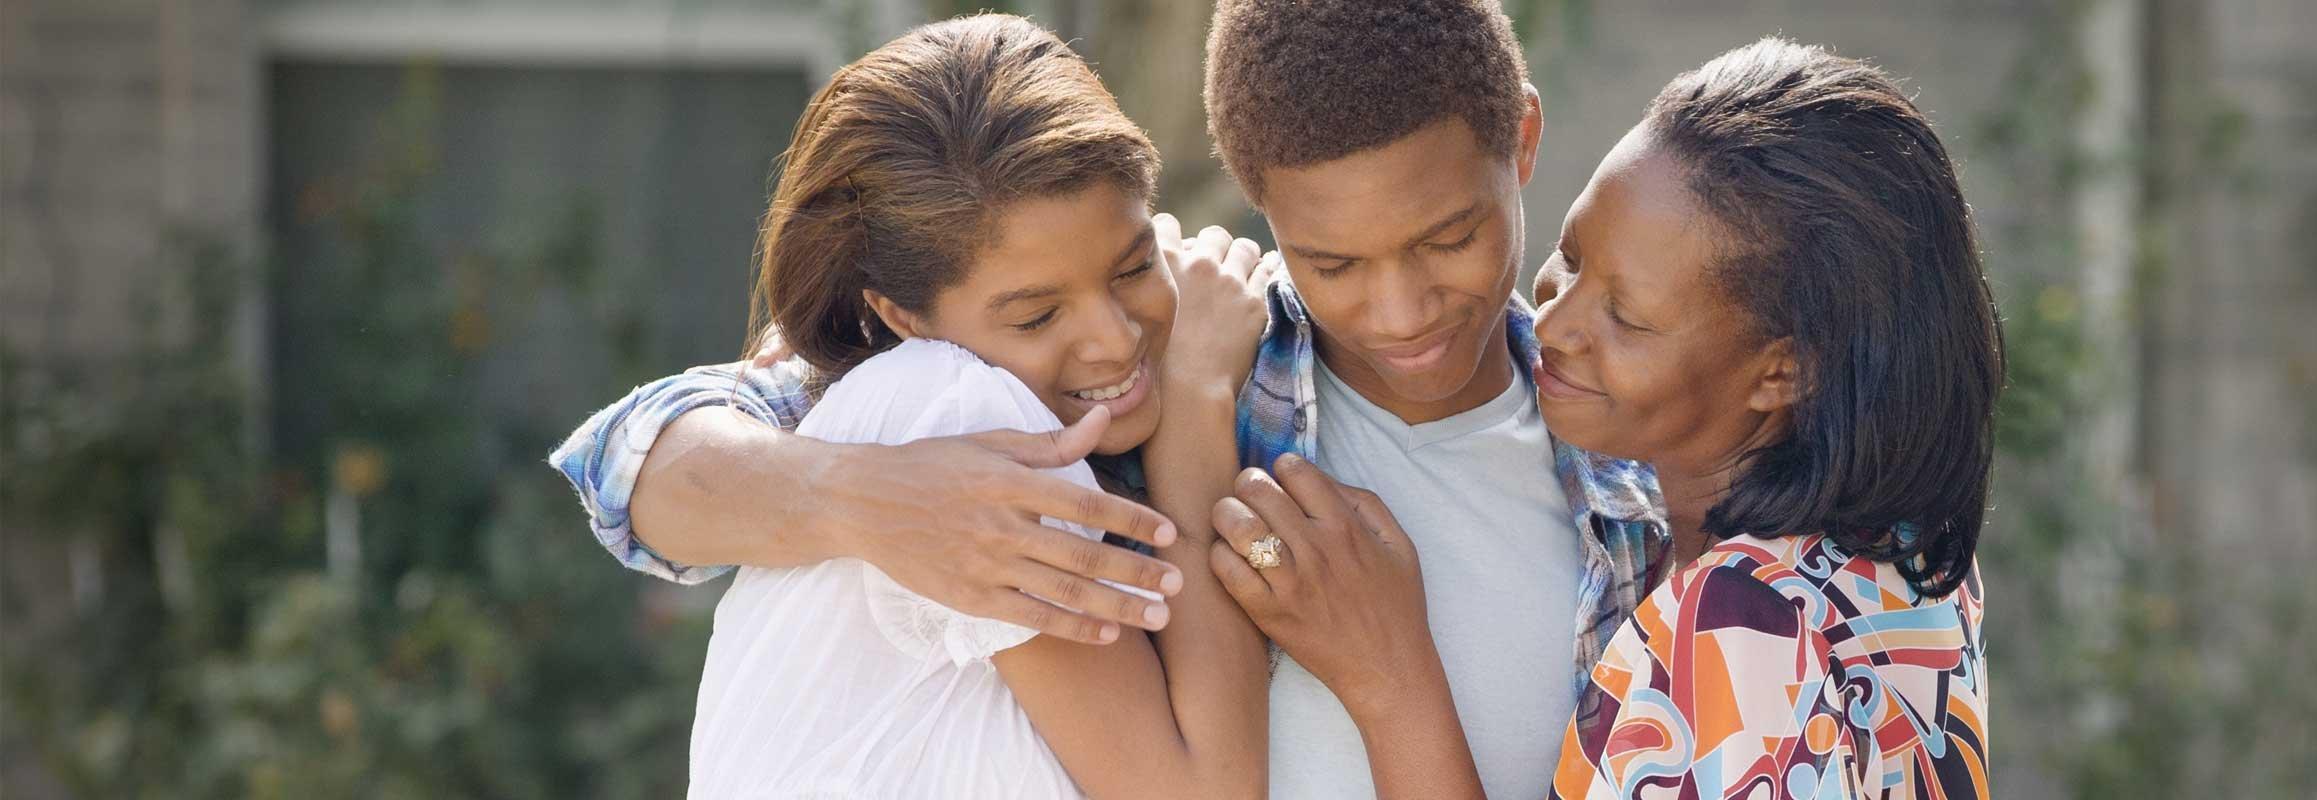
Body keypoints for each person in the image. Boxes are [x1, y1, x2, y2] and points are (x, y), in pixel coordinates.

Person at [540, 1, 1665, 795]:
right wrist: (864, 499)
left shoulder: (1637, 473)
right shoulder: (1138, 361)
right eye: (1333, 261)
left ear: (1521, 142)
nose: (1402, 304)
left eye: (1451, 237)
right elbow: (634, 458)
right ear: (1257, 202)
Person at [1204, 38, 1998, 799]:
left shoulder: (1747, 622)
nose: (1553, 325)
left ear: (1782, 369)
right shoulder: (1915, 572)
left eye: (1625, 316)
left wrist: (1390, 678)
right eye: (1575, 258)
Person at [664, 15, 1271, 798]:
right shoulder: (952, 407)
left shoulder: (901, 404)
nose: (1115, 341)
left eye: (1132, 267)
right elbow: (1203, 791)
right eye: (1036, 317)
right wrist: (1195, 401)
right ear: (903, 318)